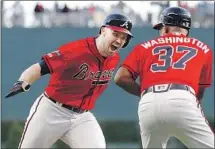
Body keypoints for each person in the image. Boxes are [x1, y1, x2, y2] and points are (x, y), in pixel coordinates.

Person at [5, 13, 133, 148]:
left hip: (81, 117)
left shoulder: (114, 57)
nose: (119, 40)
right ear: (103, 31)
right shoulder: (76, 50)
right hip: (51, 111)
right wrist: (23, 81)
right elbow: (40, 67)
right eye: (115, 34)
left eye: (124, 37)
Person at [114, 7, 214, 148]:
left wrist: (143, 94)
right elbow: (200, 91)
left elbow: (120, 77)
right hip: (182, 98)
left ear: (165, 28)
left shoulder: (144, 47)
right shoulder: (204, 48)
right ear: (187, 29)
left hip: (148, 103)